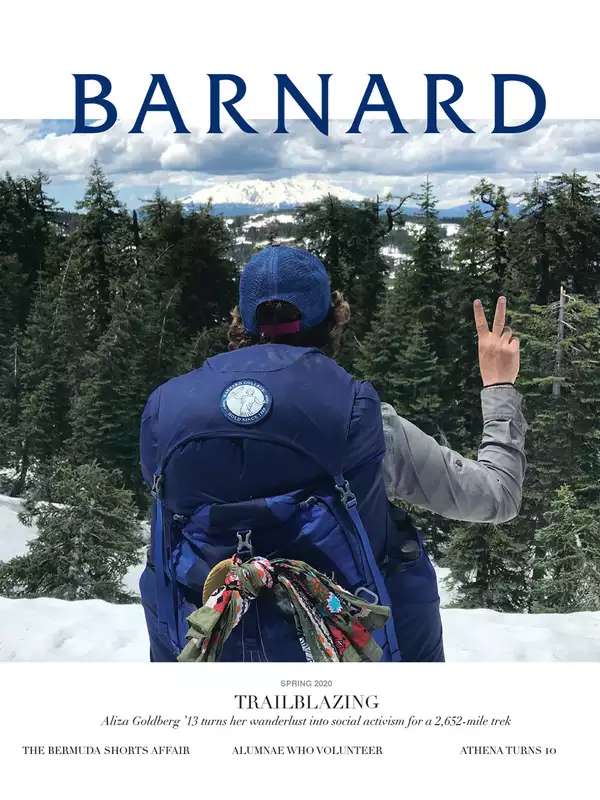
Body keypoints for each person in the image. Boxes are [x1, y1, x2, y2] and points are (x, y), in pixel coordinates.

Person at [139, 244, 526, 662]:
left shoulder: (166, 413)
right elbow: (495, 496)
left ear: (240, 323)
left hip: (209, 653)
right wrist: (498, 385)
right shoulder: (364, 420)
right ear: (332, 320)